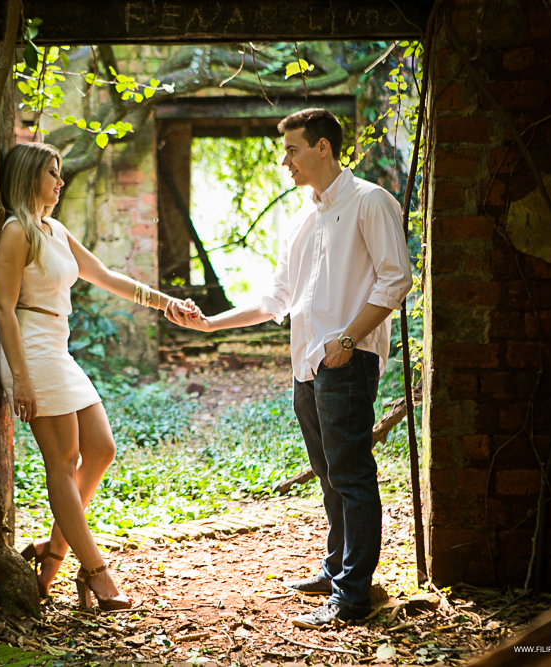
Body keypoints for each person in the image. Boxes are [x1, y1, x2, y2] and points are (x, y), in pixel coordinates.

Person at [167, 109, 412, 626]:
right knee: (329, 477)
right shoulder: (301, 219)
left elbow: (394, 280)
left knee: (351, 475)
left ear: (323, 148)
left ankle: (352, 598)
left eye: (293, 150)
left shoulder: (371, 201)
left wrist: (345, 341)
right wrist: (211, 325)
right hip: (307, 364)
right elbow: (278, 298)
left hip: (346, 359)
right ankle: (339, 570)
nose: (285, 162)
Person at [0, 142, 198, 611]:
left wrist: (164, 303)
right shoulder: (15, 231)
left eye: (60, 172)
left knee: (101, 449)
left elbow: (104, 274)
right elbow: (3, 306)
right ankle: (97, 572)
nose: (60, 181)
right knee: (63, 463)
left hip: (58, 349)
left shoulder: (54, 230)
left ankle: (54, 554)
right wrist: (20, 378)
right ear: (29, 178)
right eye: (52, 173)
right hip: (31, 350)